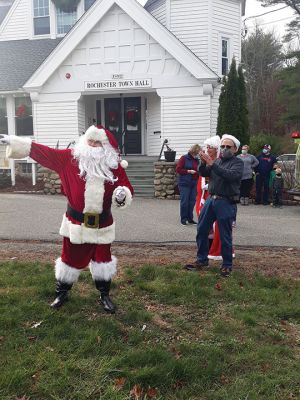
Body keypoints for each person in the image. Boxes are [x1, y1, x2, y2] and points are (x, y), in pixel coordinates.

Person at [0, 126, 133, 313]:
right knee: (69, 259)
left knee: (103, 261)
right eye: (90, 141)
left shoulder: (114, 165)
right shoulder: (68, 159)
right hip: (75, 223)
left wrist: (122, 194)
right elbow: (44, 152)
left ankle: (104, 295)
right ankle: (61, 293)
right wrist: (15, 141)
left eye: (98, 142)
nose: (93, 145)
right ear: (84, 141)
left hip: (102, 225)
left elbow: (126, 187)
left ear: (106, 146)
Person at [185, 134, 244, 277]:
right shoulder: (217, 161)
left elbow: (230, 176)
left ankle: (227, 265)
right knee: (202, 229)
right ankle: (202, 260)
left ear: (235, 149)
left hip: (226, 201)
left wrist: (212, 163)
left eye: (228, 147)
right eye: (222, 146)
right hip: (212, 199)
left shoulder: (238, 163)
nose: (224, 149)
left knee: (224, 234)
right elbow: (203, 172)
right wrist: (203, 162)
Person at [176, 144, 200, 225]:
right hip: (184, 183)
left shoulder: (197, 160)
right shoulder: (184, 158)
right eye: (197, 152)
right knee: (185, 201)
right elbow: (178, 169)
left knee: (192, 201)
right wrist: (188, 171)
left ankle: (190, 219)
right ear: (194, 151)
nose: (197, 154)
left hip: (194, 182)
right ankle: (183, 219)